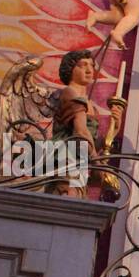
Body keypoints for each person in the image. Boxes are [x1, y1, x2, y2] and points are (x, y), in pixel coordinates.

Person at [49, 50, 104, 197]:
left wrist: (114, 129)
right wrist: (97, 164)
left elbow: (93, 141)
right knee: (68, 198)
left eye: (92, 65)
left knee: (80, 199)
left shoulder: (90, 105)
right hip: (65, 158)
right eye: (83, 65)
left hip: (79, 161)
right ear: (71, 69)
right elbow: (81, 132)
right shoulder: (70, 92)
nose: (89, 69)